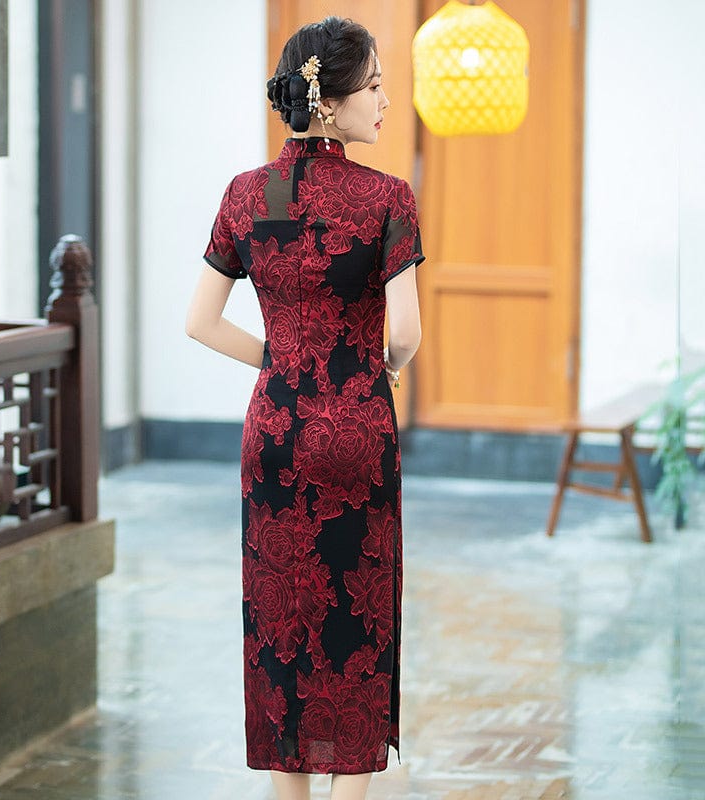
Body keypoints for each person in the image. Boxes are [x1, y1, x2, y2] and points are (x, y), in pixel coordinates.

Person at [185, 16, 423, 800]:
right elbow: (407, 336)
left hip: (276, 432)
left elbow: (200, 322)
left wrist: (280, 360)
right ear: (329, 101)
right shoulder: (388, 198)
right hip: (358, 432)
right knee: (356, 626)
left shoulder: (244, 194)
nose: (385, 100)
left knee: (282, 624)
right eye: (375, 86)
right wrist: (376, 368)